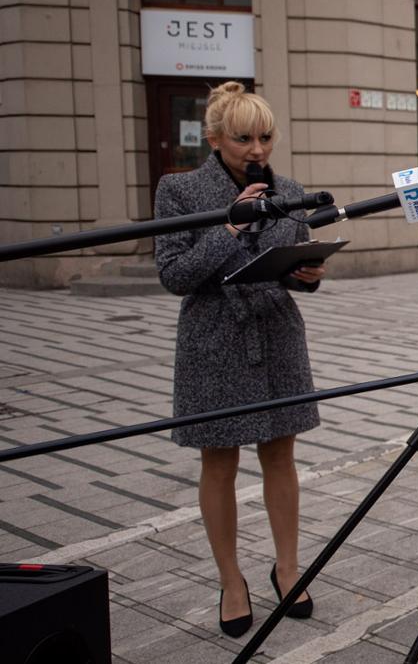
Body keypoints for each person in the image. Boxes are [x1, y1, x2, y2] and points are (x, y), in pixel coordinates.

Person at [154, 81, 326, 638]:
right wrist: (231, 227)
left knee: (281, 455)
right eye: (243, 138)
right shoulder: (179, 191)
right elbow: (175, 274)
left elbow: (294, 263)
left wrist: (308, 274)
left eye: (266, 137)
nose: (257, 149)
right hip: (214, 338)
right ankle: (231, 579)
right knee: (219, 463)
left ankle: (288, 567)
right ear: (214, 138)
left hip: (276, 335)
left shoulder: (290, 189)